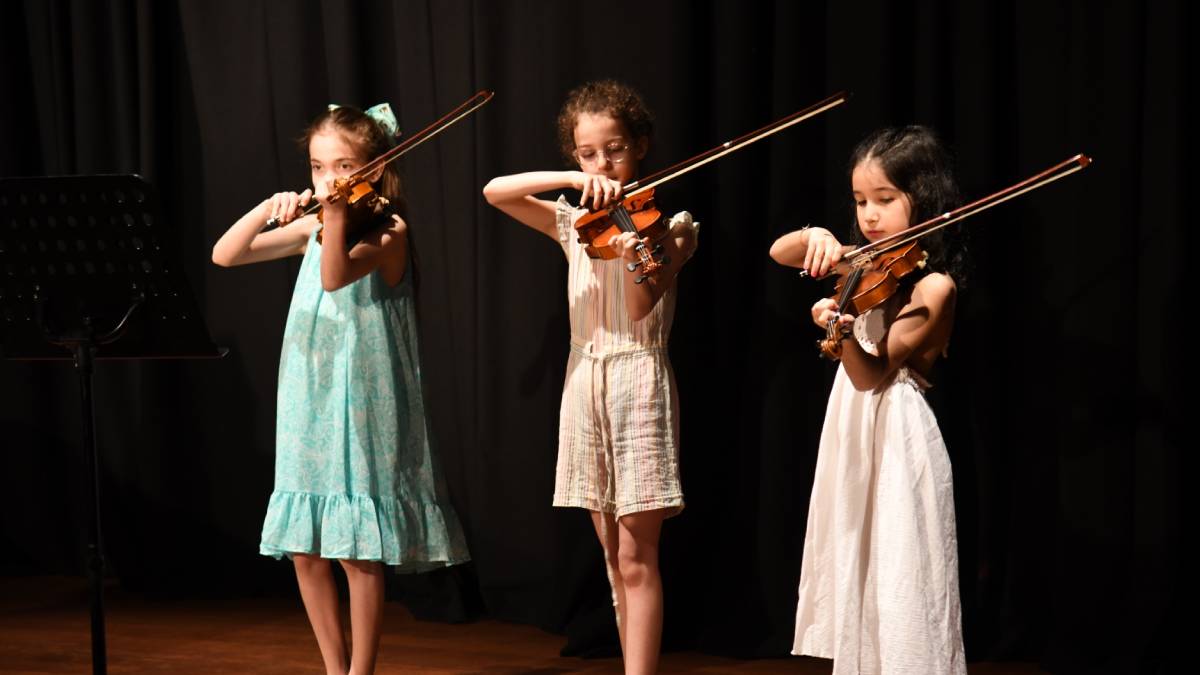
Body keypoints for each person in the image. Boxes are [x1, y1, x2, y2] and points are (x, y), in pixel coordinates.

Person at [212, 103, 469, 675]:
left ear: (374, 169)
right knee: (305, 546)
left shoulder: (389, 230)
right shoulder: (315, 224)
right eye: (317, 167)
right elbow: (224, 255)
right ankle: (333, 668)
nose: (327, 180)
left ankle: (361, 671)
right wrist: (268, 209)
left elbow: (333, 276)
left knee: (357, 548)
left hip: (365, 395)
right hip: (311, 387)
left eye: (342, 166)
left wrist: (328, 219)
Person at [482, 80, 698, 675]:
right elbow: (494, 191)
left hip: (638, 383)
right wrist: (575, 185)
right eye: (589, 153)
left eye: (617, 149)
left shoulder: (671, 227)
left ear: (641, 146)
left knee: (636, 552)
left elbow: (636, 310)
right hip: (584, 383)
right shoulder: (572, 224)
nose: (605, 163)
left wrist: (636, 250)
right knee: (608, 551)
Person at [771, 126, 967, 675]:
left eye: (885, 199)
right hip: (853, 431)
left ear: (923, 199)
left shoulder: (934, 287)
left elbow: (873, 374)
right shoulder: (863, 261)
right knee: (856, 562)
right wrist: (819, 239)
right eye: (860, 201)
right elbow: (780, 251)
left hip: (898, 434)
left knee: (900, 571)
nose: (870, 215)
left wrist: (838, 333)